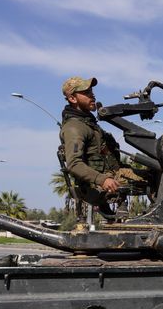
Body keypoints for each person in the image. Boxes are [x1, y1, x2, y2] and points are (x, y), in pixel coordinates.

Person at [59, 76, 146, 218]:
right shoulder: (74, 127)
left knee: (159, 172)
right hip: (98, 184)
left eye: (91, 91)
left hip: (112, 173)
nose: (92, 95)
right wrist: (102, 179)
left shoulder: (88, 123)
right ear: (72, 99)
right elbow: (74, 164)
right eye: (86, 92)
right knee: (156, 178)